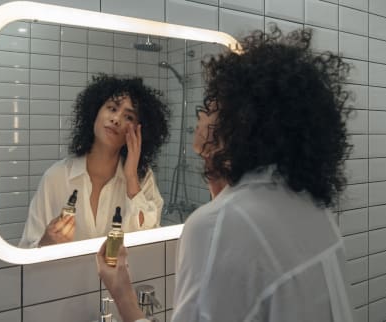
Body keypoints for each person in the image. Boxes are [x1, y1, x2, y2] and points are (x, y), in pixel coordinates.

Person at [97, 26, 355, 322]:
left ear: (239, 122)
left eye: (214, 105)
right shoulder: (313, 209)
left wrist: (123, 296)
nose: (202, 113)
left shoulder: (219, 226)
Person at [19, 75, 169, 248]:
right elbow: (26, 248)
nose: (116, 119)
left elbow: (151, 244)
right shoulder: (56, 176)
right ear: (95, 112)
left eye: (129, 117)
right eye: (112, 108)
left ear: (139, 130)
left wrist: (131, 178)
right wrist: (47, 241)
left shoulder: (142, 178)